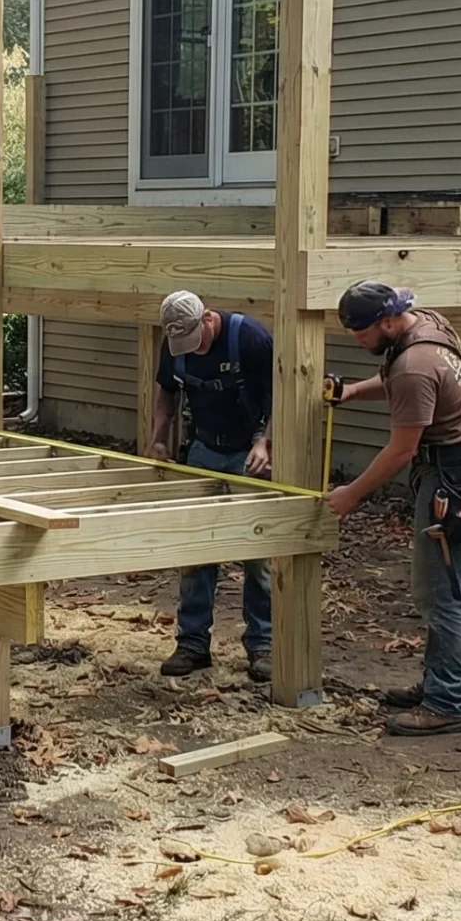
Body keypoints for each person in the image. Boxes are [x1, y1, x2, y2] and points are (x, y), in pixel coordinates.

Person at [322, 280, 461, 737]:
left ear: (387, 321)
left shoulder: (414, 366)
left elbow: (401, 449)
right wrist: (353, 393)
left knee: (443, 595)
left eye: (361, 334)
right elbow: (396, 380)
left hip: (452, 481)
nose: (357, 342)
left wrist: (351, 493)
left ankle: (447, 703)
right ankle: (439, 685)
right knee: (439, 589)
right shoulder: (426, 327)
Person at [145, 290, 275, 680]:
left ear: (207, 319)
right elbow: (166, 395)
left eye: (195, 339)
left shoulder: (249, 337)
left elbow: (283, 392)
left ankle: (263, 644)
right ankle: (192, 643)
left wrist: (265, 442)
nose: (191, 350)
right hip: (203, 450)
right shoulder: (175, 344)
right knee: (197, 548)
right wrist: (157, 439)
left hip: (248, 455)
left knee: (259, 551)